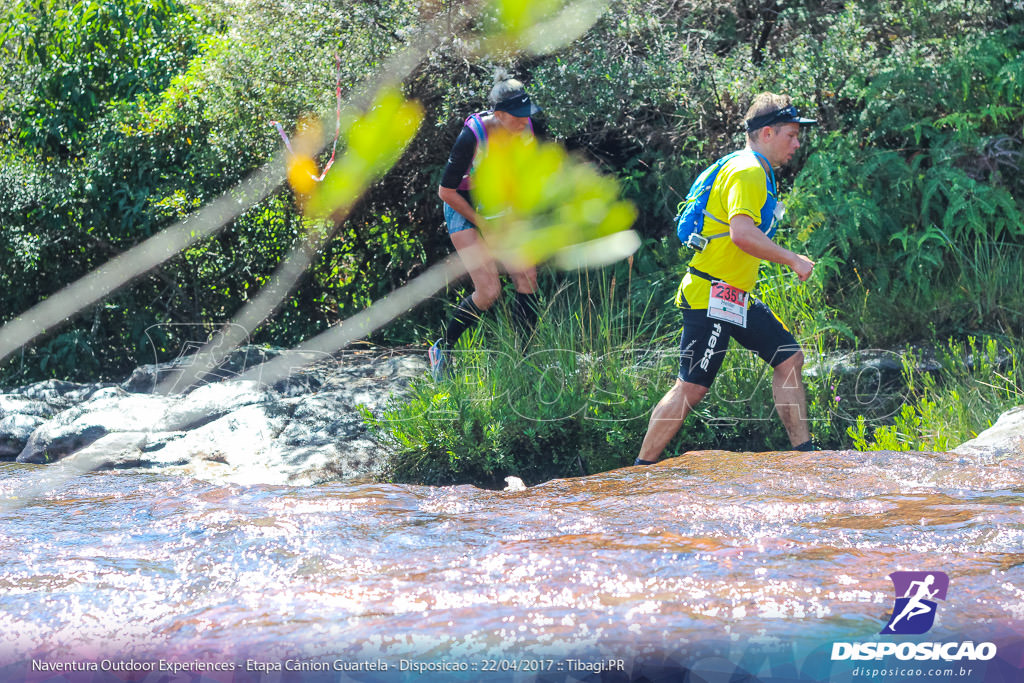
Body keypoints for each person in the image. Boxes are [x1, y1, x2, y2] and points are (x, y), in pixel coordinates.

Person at [635, 92, 818, 465]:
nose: (797, 144)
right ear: (767, 133)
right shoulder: (749, 171)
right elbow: (742, 234)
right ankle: (640, 469)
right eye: (791, 135)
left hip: (732, 295)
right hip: (711, 295)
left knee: (789, 359)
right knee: (692, 386)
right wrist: (792, 260)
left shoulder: (749, 167)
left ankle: (805, 458)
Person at [429, 71, 542, 380]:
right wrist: (482, 224)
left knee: (527, 276)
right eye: (516, 116)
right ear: (499, 114)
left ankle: (525, 359)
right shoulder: (472, 137)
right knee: (488, 290)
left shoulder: (527, 131)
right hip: (462, 205)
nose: (523, 121)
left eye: (526, 115)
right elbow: (446, 191)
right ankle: (444, 350)